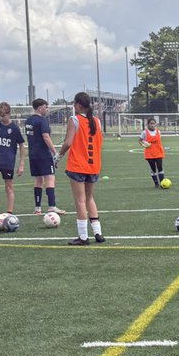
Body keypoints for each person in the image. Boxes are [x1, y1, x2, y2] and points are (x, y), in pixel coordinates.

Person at [58, 92, 105, 245]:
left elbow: (68, 142)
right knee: (89, 198)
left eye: (74, 103)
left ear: (78, 104)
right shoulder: (96, 121)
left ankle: (83, 237)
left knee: (80, 200)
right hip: (93, 166)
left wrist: (58, 156)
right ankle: (98, 233)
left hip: (78, 165)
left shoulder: (74, 120)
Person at [24, 98, 59, 214]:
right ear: (40, 108)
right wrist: (55, 153)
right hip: (43, 154)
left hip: (33, 155)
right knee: (50, 179)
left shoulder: (28, 121)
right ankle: (52, 206)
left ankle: (37, 208)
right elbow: (46, 137)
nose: (47, 109)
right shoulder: (42, 121)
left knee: (38, 180)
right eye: (46, 107)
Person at [140, 117, 166, 188]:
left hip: (158, 153)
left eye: (154, 123)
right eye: (151, 123)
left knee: (160, 168)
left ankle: (162, 183)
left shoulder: (158, 132)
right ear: (148, 124)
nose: (152, 125)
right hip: (149, 154)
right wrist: (144, 144)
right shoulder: (144, 132)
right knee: (153, 169)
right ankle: (156, 184)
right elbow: (140, 140)